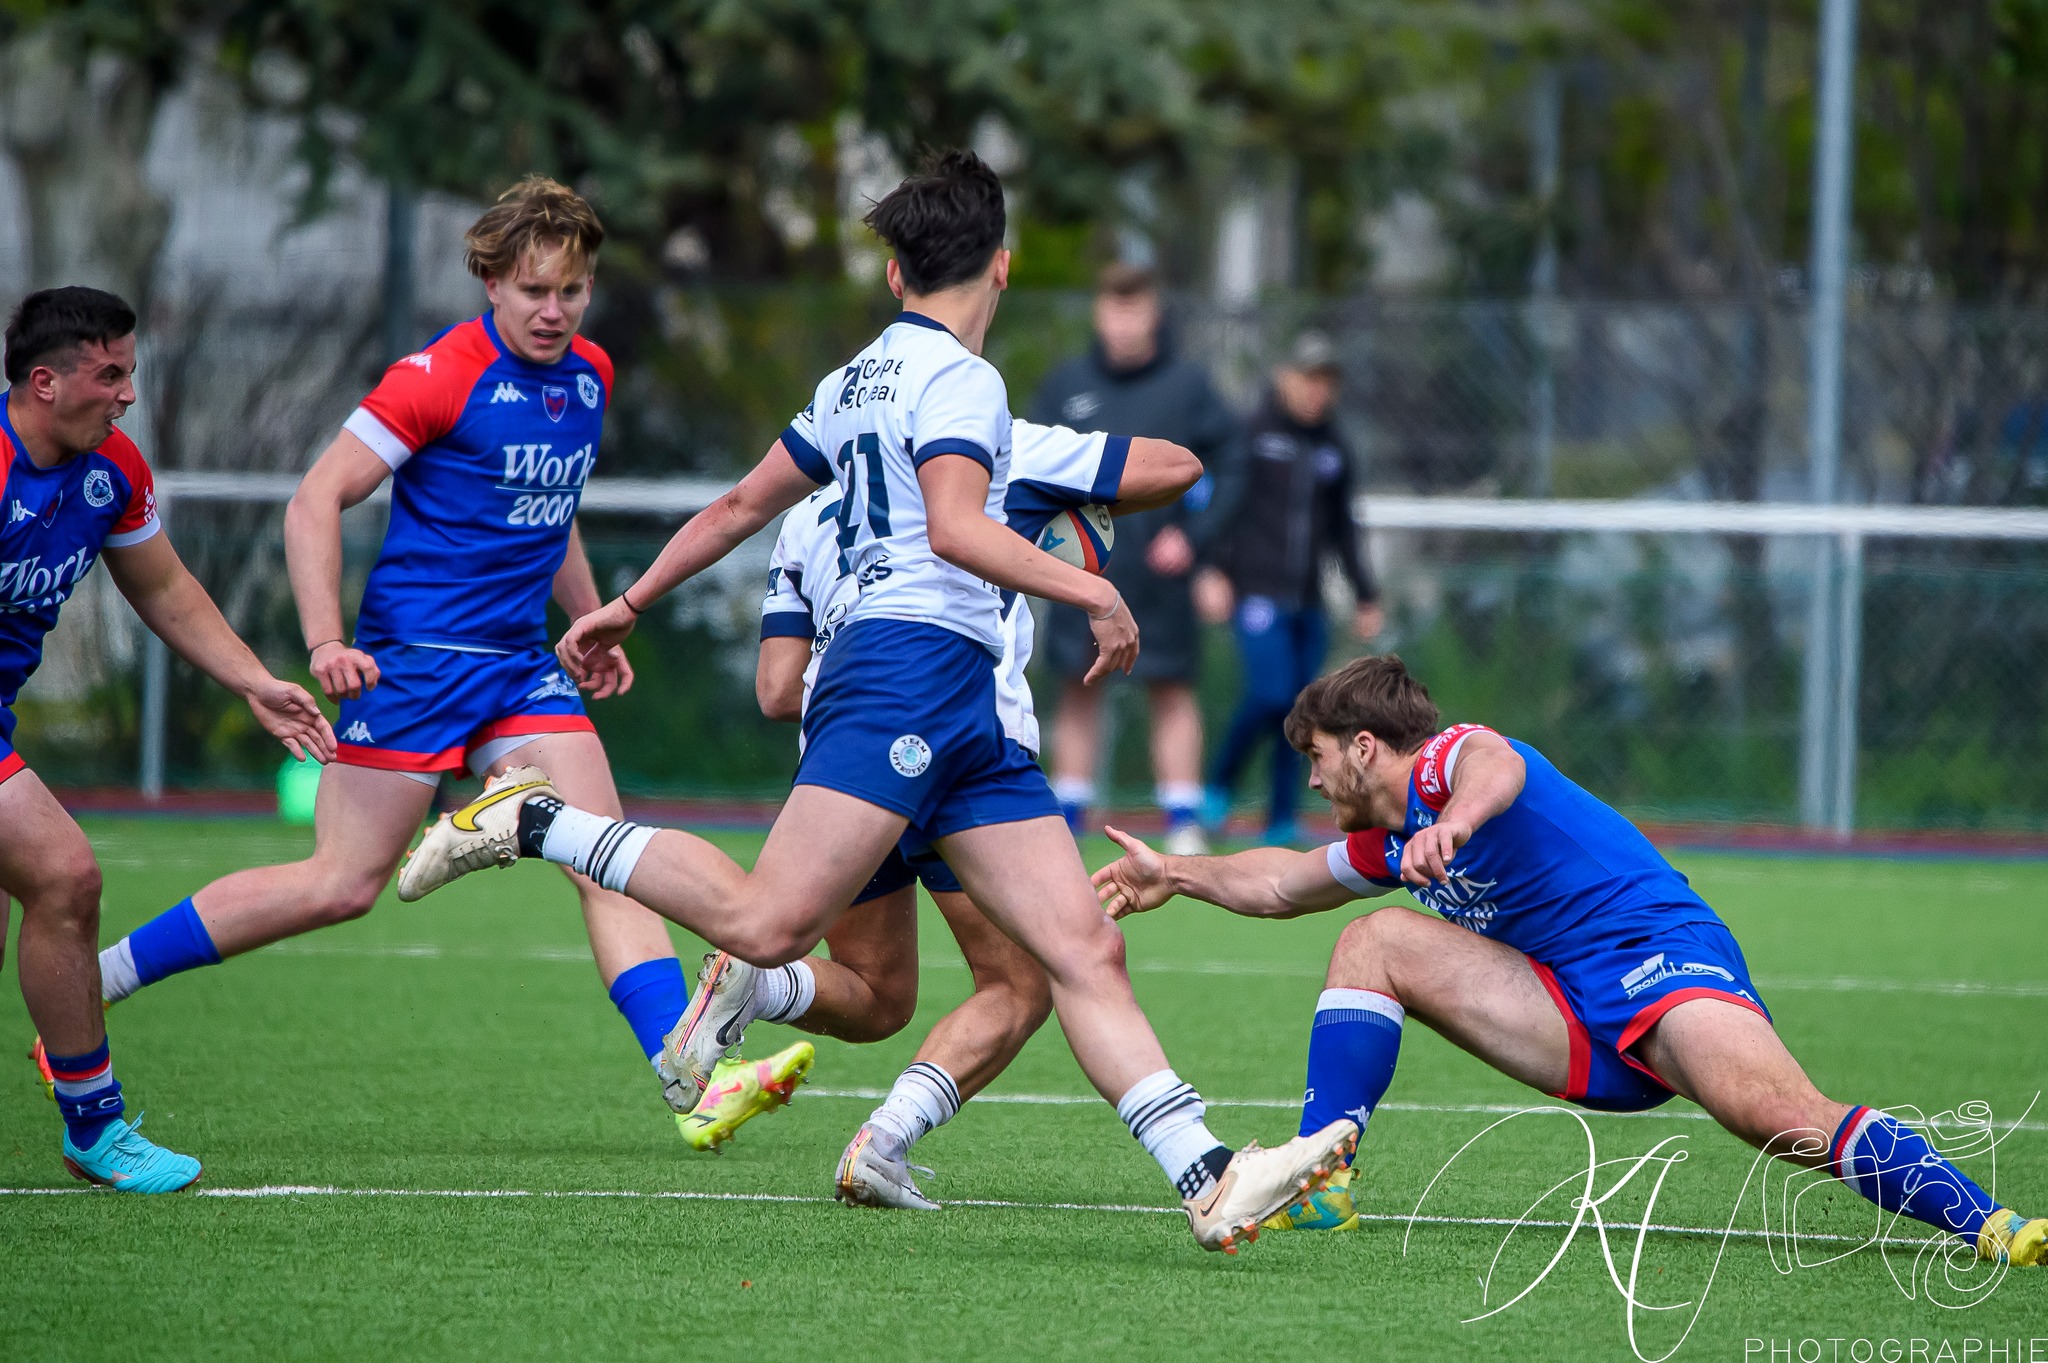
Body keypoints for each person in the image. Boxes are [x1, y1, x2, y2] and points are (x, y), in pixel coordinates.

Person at [398, 150, 1357, 1252]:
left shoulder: (849, 380)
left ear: (896, 274)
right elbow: (954, 527)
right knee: (769, 924)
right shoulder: (963, 379)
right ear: (998, 267)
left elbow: (738, 504)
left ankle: (1208, 1174)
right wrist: (1091, 582)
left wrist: (630, 598)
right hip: (899, 669)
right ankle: (529, 819)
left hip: (958, 707)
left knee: (1079, 947)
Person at [62, 179, 698, 1114]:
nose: (555, 310)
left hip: (523, 667)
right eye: (534, 291)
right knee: (339, 884)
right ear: (490, 281)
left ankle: (690, 1077)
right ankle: (97, 984)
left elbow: (547, 512)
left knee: (605, 856)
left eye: (573, 290)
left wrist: (589, 616)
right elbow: (315, 498)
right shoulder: (436, 374)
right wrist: (324, 640)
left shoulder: (590, 377)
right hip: (417, 665)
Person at [1091, 655, 2048, 1264]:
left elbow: (1494, 763)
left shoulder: (1445, 763)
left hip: (1655, 956)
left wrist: (1457, 821)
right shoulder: (1391, 840)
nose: (1310, 776)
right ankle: (1323, 1179)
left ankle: (1994, 1224)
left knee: (1778, 1117)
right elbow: (1282, 883)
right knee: (1372, 938)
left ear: (1366, 745)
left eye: (1318, 755)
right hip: (1561, 1004)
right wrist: (1175, 872)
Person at [683, 418, 1199, 1201]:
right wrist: (1041, 523)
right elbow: (1176, 463)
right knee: (1028, 979)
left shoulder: (810, 514)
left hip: (842, 765)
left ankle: (759, 987)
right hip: (966, 751)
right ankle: (885, 1139)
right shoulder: (996, 449)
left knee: (877, 992)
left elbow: (777, 690)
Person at [5, 286, 335, 1190]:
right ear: (45, 381)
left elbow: (164, 590)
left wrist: (255, 681)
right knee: (66, 875)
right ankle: (95, 1127)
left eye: (130, 373)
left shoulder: (110, 470)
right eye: (109, 375)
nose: (126, 395)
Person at [1033, 264, 1240, 856]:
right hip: (1079, 574)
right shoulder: (1063, 385)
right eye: (1113, 307)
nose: (1123, 322)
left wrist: (1197, 543)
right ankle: (1067, 816)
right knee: (1077, 687)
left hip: (1162, 578)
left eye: (1135, 308)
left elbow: (1234, 468)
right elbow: (1026, 469)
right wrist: (1050, 544)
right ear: (1099, 312)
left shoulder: (1189, 387)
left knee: (1170, 689)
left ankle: (1183, 822)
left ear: (1155, 313)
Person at [1195, 329, 1381, 847]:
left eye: (1327, 381)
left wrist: (1366, 594)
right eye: (1309, 378)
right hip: (1255, 592)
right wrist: (1210, 568)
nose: (1317, 391)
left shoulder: (1335, 448)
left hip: (1309, 601)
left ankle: (1280, 818)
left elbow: (1344, 527)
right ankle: (1218, 788)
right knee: (1270, 695)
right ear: (1284, 378)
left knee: (1303, 711)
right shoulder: (1251, 432)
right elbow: (1219, 504)